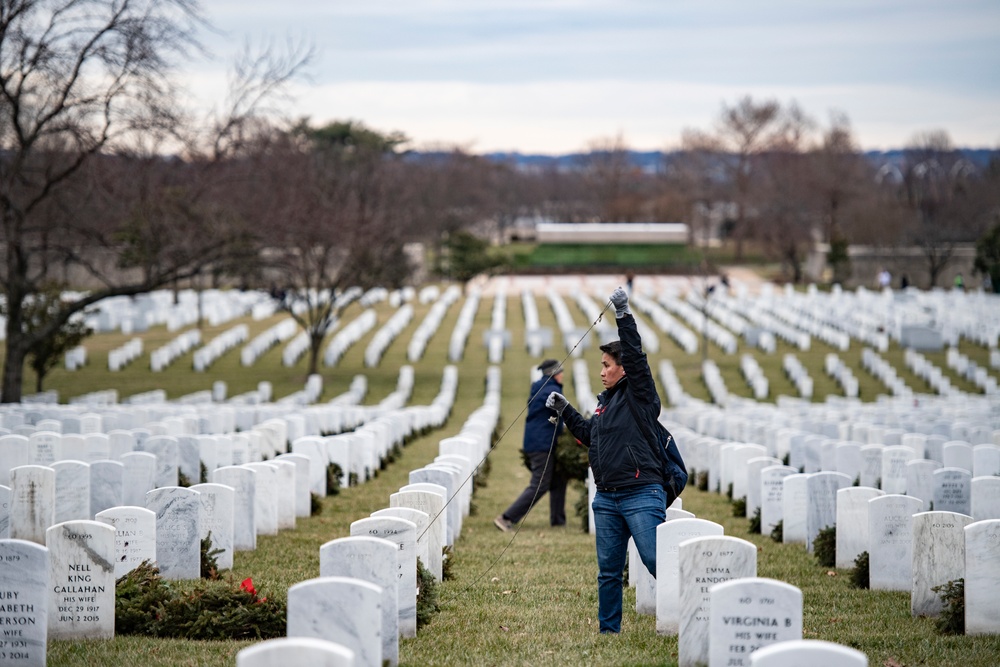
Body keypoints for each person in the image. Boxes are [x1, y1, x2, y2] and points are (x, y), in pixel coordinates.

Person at [545, 287, 671, 634]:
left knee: (656, 559)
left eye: (606, 365)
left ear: (623, 369)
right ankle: (608, 631)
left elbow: (635, 355)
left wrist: (623, 314)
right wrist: (565, 409)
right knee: (609, 572)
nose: (601, 371)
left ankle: (697, 611)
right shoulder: (604, 403)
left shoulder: (640, 395)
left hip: (641, 492)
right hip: (607, 497)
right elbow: (589, 436)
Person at [494, 359, 568, 532]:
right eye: (561, 372)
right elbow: (564, 413)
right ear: (554, 374)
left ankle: (558, 520)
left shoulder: (541, 387)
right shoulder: (551, 391)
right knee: (540, 485)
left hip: (540, 441)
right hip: (542, 444)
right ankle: (506, 518)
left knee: (558, 478)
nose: (563, 375)